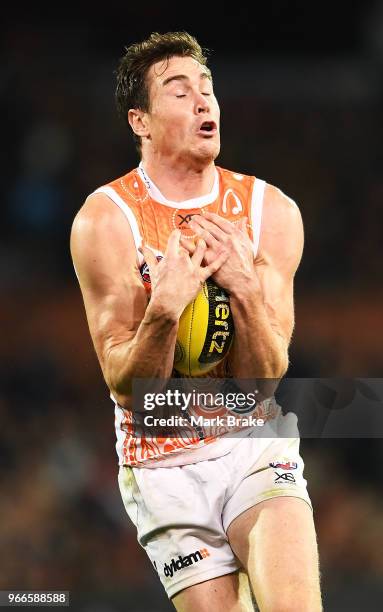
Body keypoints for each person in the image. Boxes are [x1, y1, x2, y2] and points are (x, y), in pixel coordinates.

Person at [70, 31, 322, 611]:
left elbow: (264, 379)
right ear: (141, 120)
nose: (204, 101)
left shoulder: (270, 213)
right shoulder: (106, 221)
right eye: (179, 92)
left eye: (206, 88)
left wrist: (241, 287)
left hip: (252, 444)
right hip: (162, 465)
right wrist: (163, 309)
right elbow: (130, 392)